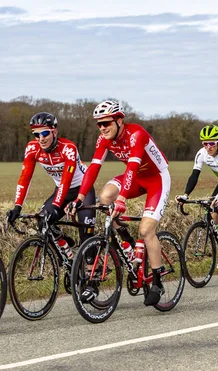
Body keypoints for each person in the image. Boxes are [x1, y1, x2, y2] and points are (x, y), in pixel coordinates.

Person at [69, 100, 170, 306]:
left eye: (106, 123)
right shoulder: (104, 139)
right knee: (105, 197)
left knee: (146, 230)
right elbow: (93, 169)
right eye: (99, 124)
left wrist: (122, 199)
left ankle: (158, 281)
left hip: (156, 179)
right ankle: (127, 243)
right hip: (135, 178)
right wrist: (79, 198)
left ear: (119, 120)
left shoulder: (136, 134)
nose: (103, 128)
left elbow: (132, 167)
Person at [7, 112, 96, 248]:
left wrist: (55, 206)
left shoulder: (68, 148)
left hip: (83, 190)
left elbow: (66, 180)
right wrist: (17, 207)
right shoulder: (32, 148)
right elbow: (25, 178)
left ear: (54, 131)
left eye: (45, 134)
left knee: (86, 234)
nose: (41, 139)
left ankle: (92, 267)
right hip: (61, 190)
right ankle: (67, 251)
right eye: (36, 134)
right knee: (43, 222)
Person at [176, 125, 218, 251]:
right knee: (212, 212)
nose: (208, 147)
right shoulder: (201, 154)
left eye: (212, 143)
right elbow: (194, 175)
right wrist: (185, 194)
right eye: (205, 144)